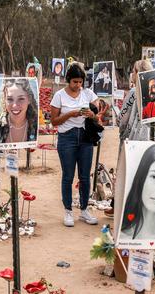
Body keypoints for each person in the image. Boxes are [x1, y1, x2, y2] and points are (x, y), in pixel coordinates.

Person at [50, 62, 104, 227]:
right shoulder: (59, 95)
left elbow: (99, 113)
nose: (78, 85)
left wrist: (91, 115)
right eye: (75, 82)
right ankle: (68, 211)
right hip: (67, 137)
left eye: (80, 82)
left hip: (85, 138)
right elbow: (54, 121)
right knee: (68, 176)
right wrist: (70, 114)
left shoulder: (87, 94)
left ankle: (84, 210)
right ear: (68, 80)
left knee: (85, 176)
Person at [105, 60, 154, 217]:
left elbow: (122, 119)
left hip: (131, 139)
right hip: (148, 139)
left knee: (126, 173)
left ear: (138, 73)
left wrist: (117, 118)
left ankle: (121, 207)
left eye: (133, 70)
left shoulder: (133, 93)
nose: (131, 74)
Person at [0, 78, 38, 144]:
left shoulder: (36, 125)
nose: (15, 105)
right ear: (4, 100)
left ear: (29, 99)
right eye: (10, 99)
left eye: (21, 99)